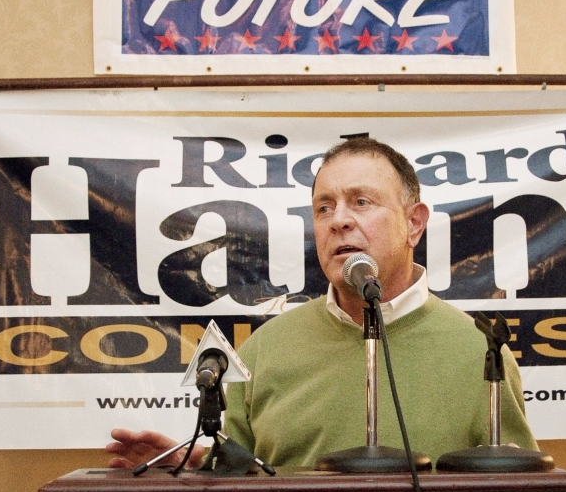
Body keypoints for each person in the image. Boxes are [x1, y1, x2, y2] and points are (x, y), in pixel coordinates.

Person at [106, 137, 536, 469]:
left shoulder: (480, 350)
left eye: (361, 202)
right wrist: (194, 469)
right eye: (324, 208)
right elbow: (237, 478)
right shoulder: (265, 349)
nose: (340, 220)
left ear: (414, 224)